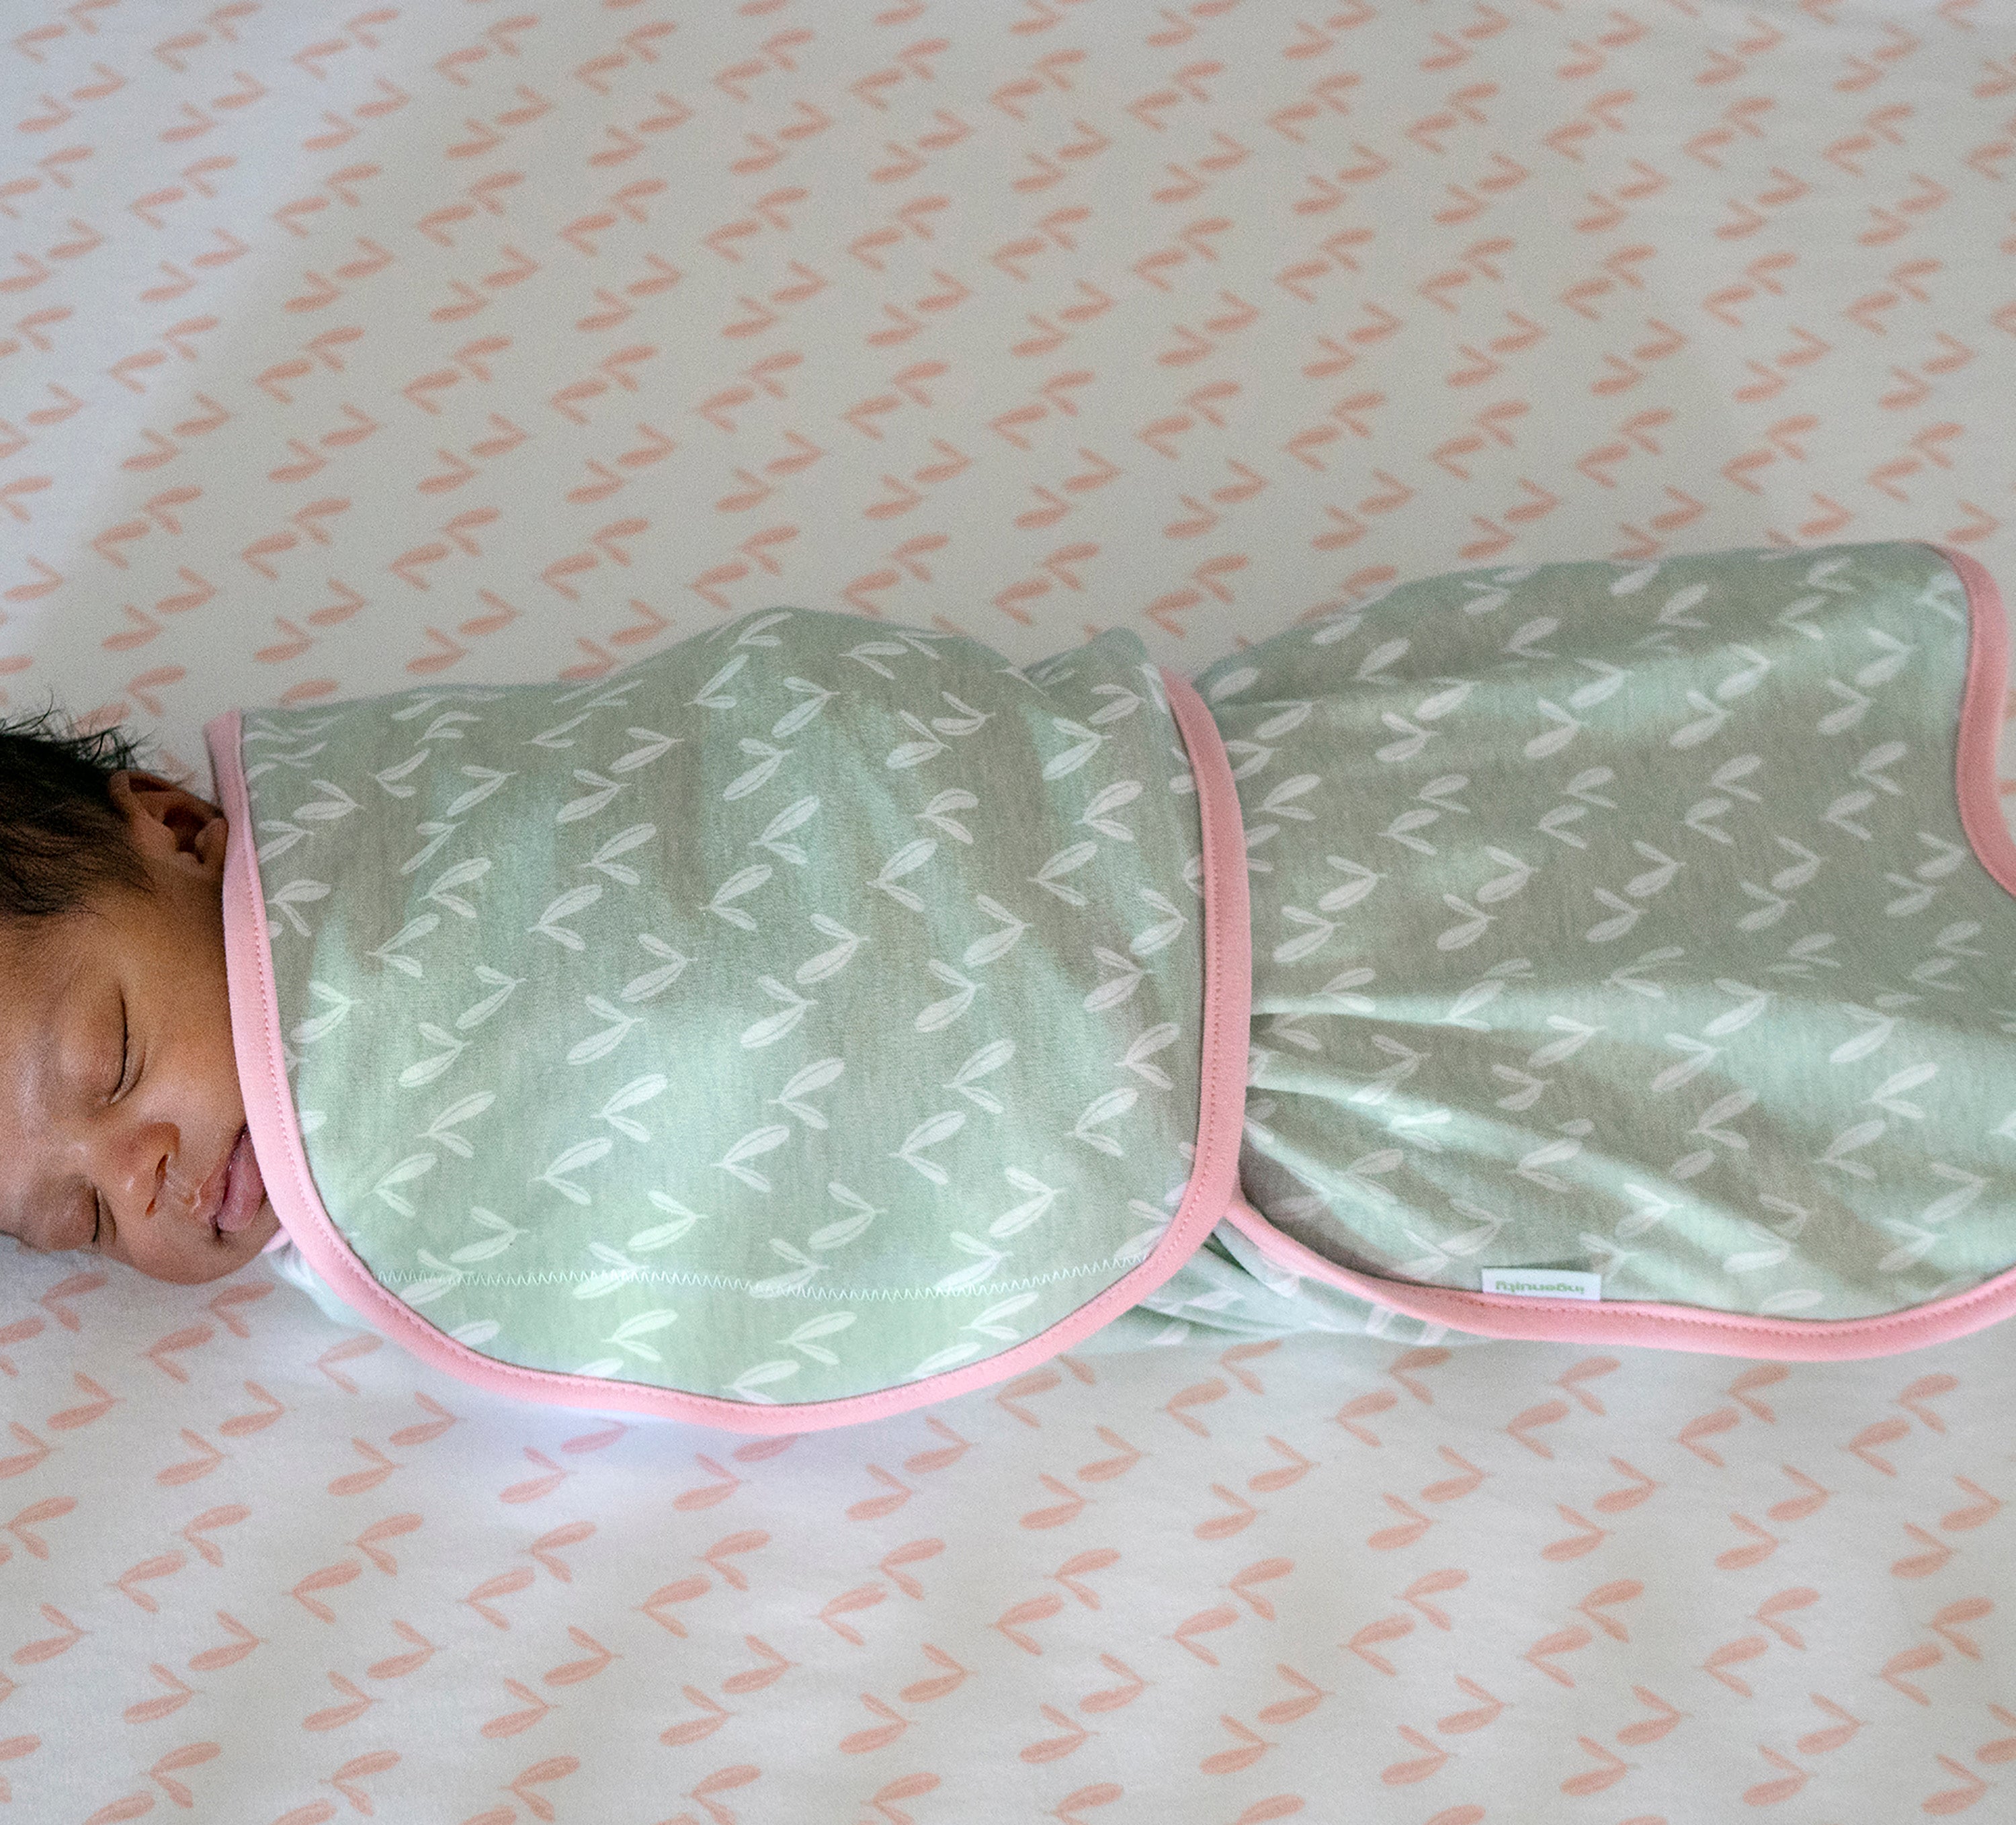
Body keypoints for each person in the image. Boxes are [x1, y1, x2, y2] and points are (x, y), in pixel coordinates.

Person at [3, 538, 2013, 1428]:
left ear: (174, 827)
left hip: (1101, 850)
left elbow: (759, 757)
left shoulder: (423, 828)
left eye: (109, 1062)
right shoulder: (399, 1211)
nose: (143, 1179)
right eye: (76, 1222)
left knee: (1465, 833)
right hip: (1193, 1115)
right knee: (1583, 1078)